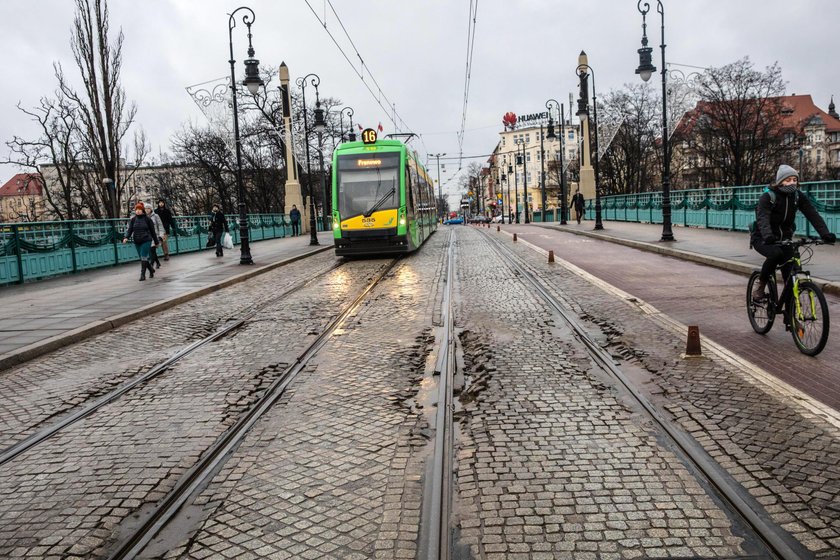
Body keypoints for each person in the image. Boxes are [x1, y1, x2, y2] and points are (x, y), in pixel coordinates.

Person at [750, 164, 836, 303]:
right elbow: (762, 218)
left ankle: (790, 319)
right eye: (788, 180)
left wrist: (825, 233)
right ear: (780, 181)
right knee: (776, 254)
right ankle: (761, 284)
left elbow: (812, 213)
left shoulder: (797, 196)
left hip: (786, 239)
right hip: (763, 238)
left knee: (791, 276)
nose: (792, 183)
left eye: (794, 180)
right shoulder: (768, 197)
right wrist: (768, 235)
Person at [123, 202, 160, 281]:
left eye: (140, 209)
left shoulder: (148, 219)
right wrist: (126, 237)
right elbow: (130, 230)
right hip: (137, 241)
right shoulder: (133, 219)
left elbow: (153, 232)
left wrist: (156, 242)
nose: (138, 211)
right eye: (137, 210)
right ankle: (151, 270)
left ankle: (142, 275)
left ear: (142, 210)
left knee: (143, 256)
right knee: (143, 258)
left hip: (146, 240)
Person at [146, 203, 165, 269]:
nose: (147, 210)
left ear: (151, 209)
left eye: (148, 208)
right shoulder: (144, 217)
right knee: (152, 251)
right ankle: (158, 263)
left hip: (155, 236)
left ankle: (151, 264)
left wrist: (161, 235)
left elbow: (160, 226)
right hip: (148, 236)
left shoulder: (156, 216)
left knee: (152, 249)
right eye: (145, 208)